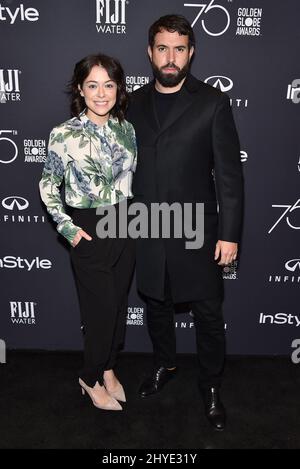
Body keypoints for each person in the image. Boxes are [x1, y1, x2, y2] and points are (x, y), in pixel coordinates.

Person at [127, 15, 243, 430]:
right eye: (162, 48)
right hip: (149, 228)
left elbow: (229, 174)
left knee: (209, 314)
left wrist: (229, 235)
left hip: (199, 231)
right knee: (156, 305)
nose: (170, 57)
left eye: (179, 48)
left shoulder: (212, 102)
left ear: (191, 53)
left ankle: (211, 385)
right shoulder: (132, 103)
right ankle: (165, 366)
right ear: (150, 52)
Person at [39, 54, 137, 411]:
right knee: (101, 310)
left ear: (118, 89)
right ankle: (90, 375)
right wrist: (69, 229)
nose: (101, 93)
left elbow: (129, 180)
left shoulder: (127, 129)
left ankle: (109, 367)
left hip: (125, 223)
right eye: (92, 85)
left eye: (108, 85)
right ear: (80, 89)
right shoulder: (63, 134)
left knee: (119, 305)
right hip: (89, 228)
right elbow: (49, 185)